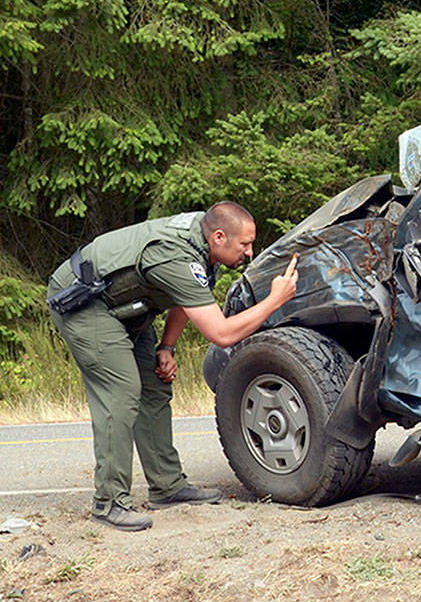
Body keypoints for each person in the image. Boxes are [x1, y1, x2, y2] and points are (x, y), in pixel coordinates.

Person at [46, 202, 298, 531]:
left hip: (128, 307)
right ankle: (108, 504)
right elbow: (221, 334)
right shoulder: (176, 255)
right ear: (219, 237)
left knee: (155, 383)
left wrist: (167, 346)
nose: (250, 252)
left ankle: (167, 487)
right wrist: (274, 301)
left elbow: (188, 294)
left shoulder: (206, 246)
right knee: (121, 391)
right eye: (245, 244)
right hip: (85, 303)